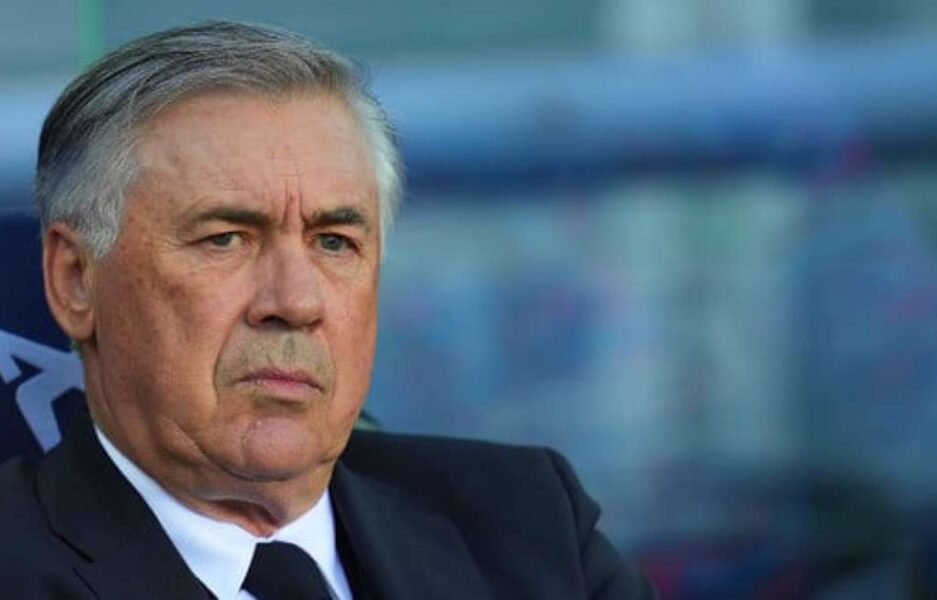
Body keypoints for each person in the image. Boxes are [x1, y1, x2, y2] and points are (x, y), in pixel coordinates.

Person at [0, 21, 655, 600]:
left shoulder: (527, 520)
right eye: (225, 238)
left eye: (335, 242)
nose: (296, 302)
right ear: (76, 279)